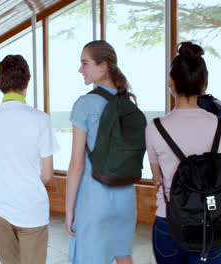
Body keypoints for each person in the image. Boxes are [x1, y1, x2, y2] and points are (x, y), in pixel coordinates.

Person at [145, 42, 221, 264]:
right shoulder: (220, 125)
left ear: (170, 82)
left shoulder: (155, 127)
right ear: (204, 84)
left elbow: (157, 179)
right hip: (210, 222)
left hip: (169, 222)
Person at [0, 54, 59, 264]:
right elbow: (47, 174)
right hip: (32, 208)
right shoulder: (40, 119)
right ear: (27, 82)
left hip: (0, 209)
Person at [66, 40, 136, 264]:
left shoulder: (85, 104)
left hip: (94, 199)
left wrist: (69, 210)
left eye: (85, 63)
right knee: (123, 256)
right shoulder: (129, 102)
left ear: (103, 66)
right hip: (125, 198)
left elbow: (77, 164)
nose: (80, 69)